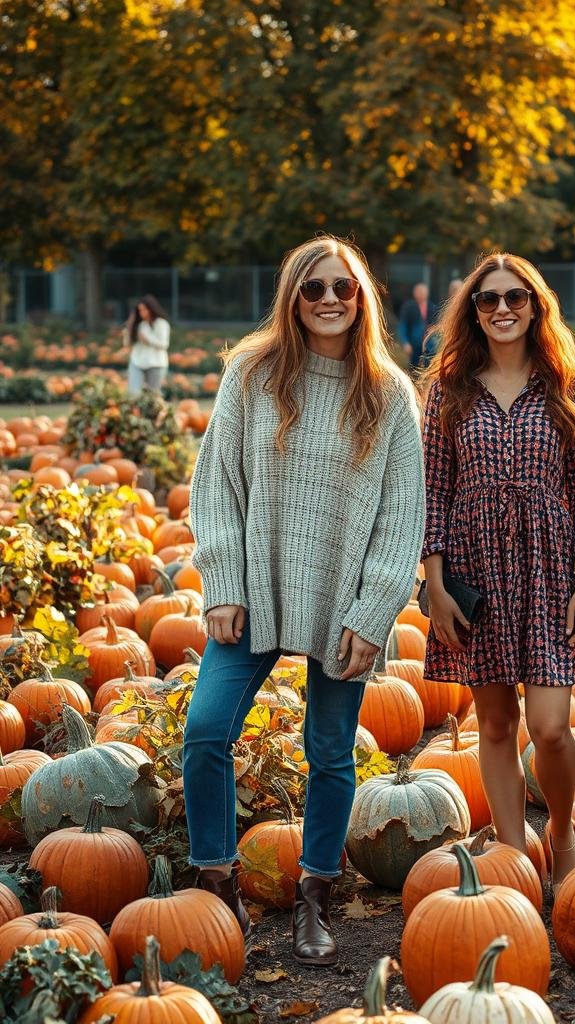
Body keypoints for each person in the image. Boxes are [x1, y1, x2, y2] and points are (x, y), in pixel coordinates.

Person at [183, 236, 425, 966]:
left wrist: (373, 611)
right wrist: (222, 581)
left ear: (362, 300)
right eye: (313, 288)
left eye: (342, 289)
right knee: (205, 731)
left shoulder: (387, 396)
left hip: (341, 599)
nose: (328, 300)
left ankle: (314, 894)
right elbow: (215, 484)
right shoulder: (252, 375)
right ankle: (217, 887)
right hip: (252, 590)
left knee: (328, 751)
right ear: (292, 297)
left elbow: (401, 515)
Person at [421, 253, 575, 894]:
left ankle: (560, 832)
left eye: (515, 298)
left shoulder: (564, 386)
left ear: (535, 307)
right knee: (495, 725)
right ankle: (510, 858)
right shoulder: (449, 391)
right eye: (488, 300)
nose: (502, 309)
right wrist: (437, 583)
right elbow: (434, 491)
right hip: (476, 571)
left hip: (552, 571)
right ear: (473, 312)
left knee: (552, 727)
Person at [124, 295, 171, 396]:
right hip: (137, 362)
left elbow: (164, 344)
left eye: (144, 309)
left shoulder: (162, 324)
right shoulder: (140, 325)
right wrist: (129, 328)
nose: (142, 313)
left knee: (152, 396)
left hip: (156, 364)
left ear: (151, 309)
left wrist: (148, 340)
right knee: (134, 394)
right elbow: (127, 344)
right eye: (140, 310)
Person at [398, 282, 439, 367]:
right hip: (413, 346)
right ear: (414, 293)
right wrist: (405, 343)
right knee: (413, 370)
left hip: (429, 346)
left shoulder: (433, 307)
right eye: (419, 291)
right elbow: (403, 326)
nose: (421, 294)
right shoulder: (408, 307)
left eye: (423, 291)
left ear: (427, 293)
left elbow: (437, 327)